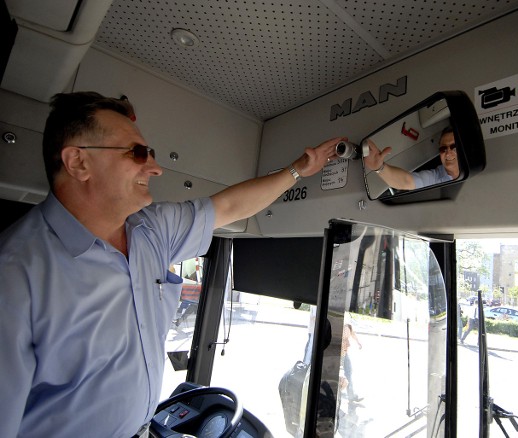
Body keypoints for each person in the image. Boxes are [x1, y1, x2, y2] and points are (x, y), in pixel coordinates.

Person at [0, 91, 346, 438]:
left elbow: (228, 207)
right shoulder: (15, 274)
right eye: (137, 153)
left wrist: (299, 170)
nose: (154, 167)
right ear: (78, 162)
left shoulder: (151, 230)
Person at [363, 126, 459, 190]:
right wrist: (379, 167)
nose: (448, 153)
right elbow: (406, 181)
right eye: (443, 148)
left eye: (454, 147)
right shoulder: (435, 178)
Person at [341, 323, 363, 403]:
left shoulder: (348, 327)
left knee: (349, 373)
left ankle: (351, 395)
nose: (347, 333)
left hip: (344, 355)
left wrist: (358, 342)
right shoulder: (341, 328)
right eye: (345, 330)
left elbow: (353, 334)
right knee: (343, 375)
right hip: (339, 355)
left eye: (348, 331)